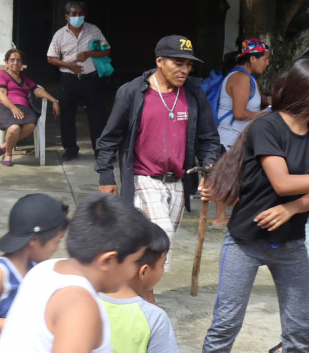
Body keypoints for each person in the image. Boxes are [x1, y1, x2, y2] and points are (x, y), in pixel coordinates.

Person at [202, 59, 309, 352]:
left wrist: (294, 208)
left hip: (291, 244)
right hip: (245, 242)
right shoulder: (267, 126)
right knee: (226, 325)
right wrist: (292, 200)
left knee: (301, 332)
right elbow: (282, 183)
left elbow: (293, 195)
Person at [95, 35, 219, 286]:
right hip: (143, 178)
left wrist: (210, 170)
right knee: (160, 238)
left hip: (178, 182)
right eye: (178, 63)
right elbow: (109, 138)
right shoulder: (132, 92)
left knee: (158, 251)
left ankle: (132, 291)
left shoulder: (193, 94)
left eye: (189, 64)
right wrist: (106, 175)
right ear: (160, 61)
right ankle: (137, 297)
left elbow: (209, 139)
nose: (185, 70)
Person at [0, 193, 150, 353]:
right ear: (107, 261)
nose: (134, 271)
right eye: (135, 261)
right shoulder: (80, 306)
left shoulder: (44, 269)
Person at [0, 193, 69, 353]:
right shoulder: (0, 273)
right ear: (34, 241)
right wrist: (22, 323)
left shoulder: (34, 267)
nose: (57, 248)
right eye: (56, 241)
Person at [211, 38, 271, 226]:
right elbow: (240, 112)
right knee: (232, 177)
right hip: (229, 137)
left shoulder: (249, 79)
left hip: (235, 138)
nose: (267, 63)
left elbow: (263, 99)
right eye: (265, 59)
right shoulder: (241, 78)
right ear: (252, 59)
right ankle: (224, 217)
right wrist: (266, 114)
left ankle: (222, 216)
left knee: (230, 176)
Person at [97, 221, 179, 353]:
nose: (162, 270)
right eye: (162, 265)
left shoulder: (84, 300)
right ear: (144, 271)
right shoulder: (154, 317)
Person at [46, 1, 110, 161]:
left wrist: (89, 54)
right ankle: (70, 149)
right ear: (67, 17)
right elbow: (51, 57)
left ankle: (100, 151)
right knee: (67, 115)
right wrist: (67, 64)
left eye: (80, 13)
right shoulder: (60, 34)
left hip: (91, 79)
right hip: (69, 80)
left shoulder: (93, 30)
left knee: (97, 116)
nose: (78, 17)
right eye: (74, 14)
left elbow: (106, 49)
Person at [0, 48, 60, 166]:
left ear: (21, 63)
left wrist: (54, 100)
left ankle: (4, 146)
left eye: (18, 60)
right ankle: (8, 154)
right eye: (12, 60)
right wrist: (13, 107)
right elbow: (0, 94)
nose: (15, 63)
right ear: (6, 62)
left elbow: (37, 90)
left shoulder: (24, 78)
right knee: (15, 128)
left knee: (31, 124)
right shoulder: (2, 75)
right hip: (4, 106)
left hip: (23, 108)